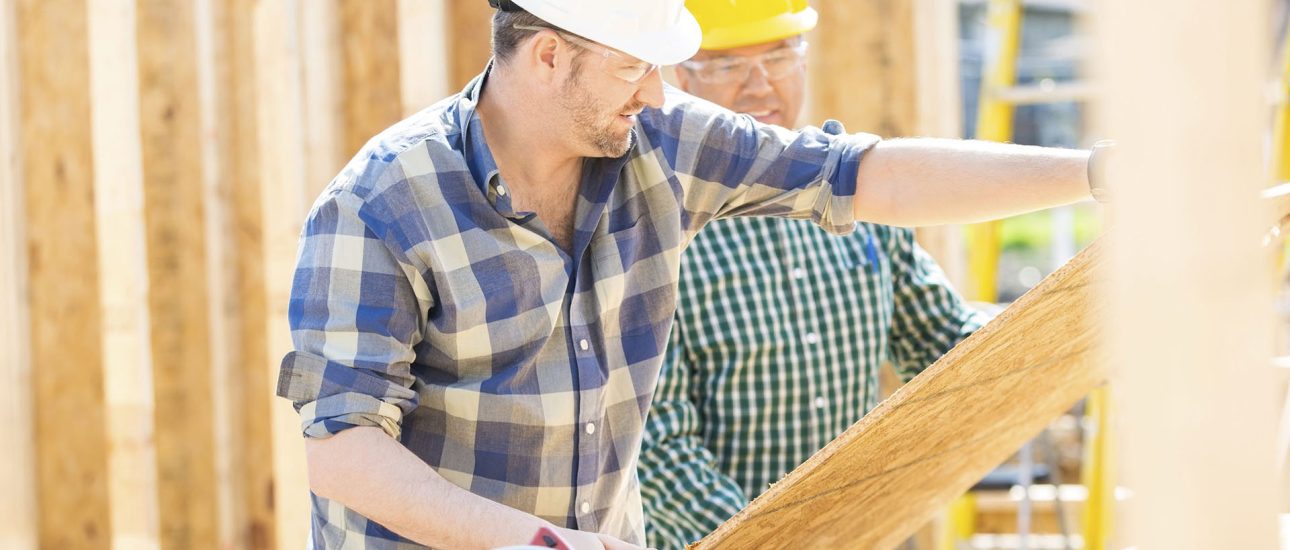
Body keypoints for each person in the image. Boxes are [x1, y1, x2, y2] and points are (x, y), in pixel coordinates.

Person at [274, 0, 1098, 548]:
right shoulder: (381, 206)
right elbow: (343, 449)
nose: (659, 94)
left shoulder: (659, 145)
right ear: (550, 56)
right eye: (636, 67)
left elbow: (860, 174)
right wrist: (536, 542)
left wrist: (1092, 172)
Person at [637, 2, 990, 548]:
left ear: (804, 59)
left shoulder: (862, 197)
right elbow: (658, 452)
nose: (760, 86)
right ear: (678, 79)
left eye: (779, 55)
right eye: (729, 65)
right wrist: (778, 541)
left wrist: (1069, 329)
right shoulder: (655, 229)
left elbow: (945, 345)